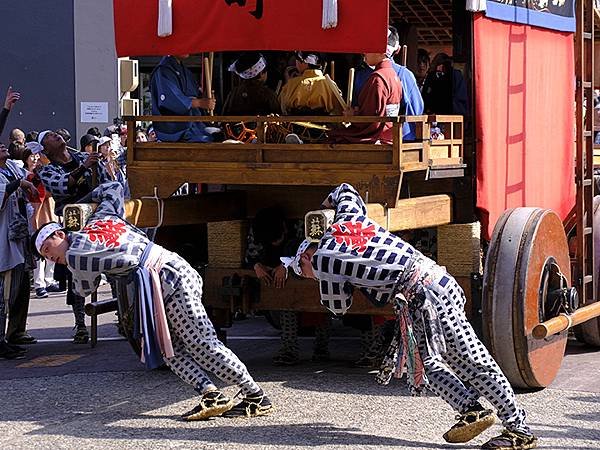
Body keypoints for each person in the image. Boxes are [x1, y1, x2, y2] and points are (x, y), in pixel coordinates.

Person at [284, 183, 538, 450]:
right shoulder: (348, 219)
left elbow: (338, 306)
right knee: (427, 364)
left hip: (424, 294)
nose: (308, 277)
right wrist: (327, 207)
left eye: (303, 271)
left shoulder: (323, 261)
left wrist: (341, 280)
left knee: (472, 361)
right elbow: (345, 191)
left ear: (306, 257)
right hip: (430, 287)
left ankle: (518, 428)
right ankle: (470, 409)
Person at [33, 181, 274, 420]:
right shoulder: (101, 219)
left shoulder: (75, 255)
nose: (51, 258)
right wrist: (85, 202)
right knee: (167, 347)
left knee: (201, 344)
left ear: (59, 233)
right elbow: (114, 187)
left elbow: (84, 289)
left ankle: (256, 396)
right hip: (164, 276)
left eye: (47, 249)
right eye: (45, 256)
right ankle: (211, 394)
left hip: (167, 277)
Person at [37, 129, 110, 343]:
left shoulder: (80, 156)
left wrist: (100, 166)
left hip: (98, 216)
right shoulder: (47, 170)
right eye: (49, 136)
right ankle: (80, 323)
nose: (56, 136)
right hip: (73, 223)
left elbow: (105, 181)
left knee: (113, 263)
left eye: (55, 133)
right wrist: (85, 167)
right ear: (46, 149)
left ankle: (124, 316)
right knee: (75, 271)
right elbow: (62, 185)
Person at [245, 207, 330, 365]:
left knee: (319, 305)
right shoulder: (257, 230)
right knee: (285, 303)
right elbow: (251, 254)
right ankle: (289, 349)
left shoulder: (300, 226)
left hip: (301, 267)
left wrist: (285, 265)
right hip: (274, 270)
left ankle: (321, 347)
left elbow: (308, 248)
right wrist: (256, 265)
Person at [328, 31, 402, 144]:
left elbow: (371, 121)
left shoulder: (378, 79)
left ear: (381, 52)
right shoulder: (392, 74)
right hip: (388, 133)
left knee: (333, 137)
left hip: (377, 135)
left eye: (369, 48)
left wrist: (353, 115)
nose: (364, 53)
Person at [0, 141, 38, 359]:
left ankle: (16, 331)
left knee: (23, 284)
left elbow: (26, 177)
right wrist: (20, 184)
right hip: (5, 238)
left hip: (21, 233)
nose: (3, 146)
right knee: (5, 293)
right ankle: (2, 339)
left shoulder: (12, 167)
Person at [352, 26, 424, 141]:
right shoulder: (404, 74)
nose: (364, 52)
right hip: (401, 135)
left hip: (381, 135)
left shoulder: (365, 76)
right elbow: (416, 110)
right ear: (398, 49)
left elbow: (358, 108)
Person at [22, 144, 61, 298]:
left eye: (38, 155)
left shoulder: (47, 171)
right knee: (39, 249)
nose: (36, 158)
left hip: (50, 210)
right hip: (35, 211)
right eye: (32, 155)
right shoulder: (23, 174)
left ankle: (49, 279)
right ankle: (39, 283)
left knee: (54, 244)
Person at [150, 55, 217, 143]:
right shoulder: (163, 70)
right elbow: (172, 101)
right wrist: (200, 103)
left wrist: (205, 98)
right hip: (175, 129)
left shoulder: (185, 70)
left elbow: (195, 94)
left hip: (193, 124)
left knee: (218, 136)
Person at [279, 51, 343, 115]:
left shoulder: (291, 84)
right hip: (324, 123)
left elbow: (282, 107)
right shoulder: (330, 84)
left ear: (304, 62)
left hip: (295, 123)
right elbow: (339, 109)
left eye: (297, 60)